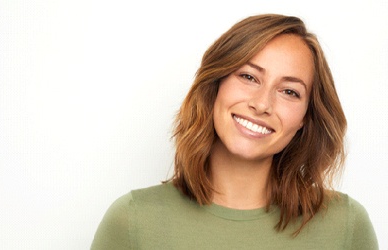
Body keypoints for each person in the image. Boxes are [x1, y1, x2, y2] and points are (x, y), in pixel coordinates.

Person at [91, 14, 378, 249]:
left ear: (305, 117)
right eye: (249, 77)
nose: (262, 104)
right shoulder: (134, 221)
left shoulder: (346, 227)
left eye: (289, 91)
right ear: (215, 84)